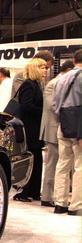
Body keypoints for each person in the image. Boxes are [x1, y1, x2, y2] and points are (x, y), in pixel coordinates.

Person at [39, 59, 75, 207]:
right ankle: (47, 196)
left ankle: (55, 195)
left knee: (60, 164)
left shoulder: (59, 83)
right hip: (54, 129)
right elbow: (54, 107)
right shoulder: (53, 84)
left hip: (62, 128)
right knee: (52, 164)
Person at [12, 58, 48, 202]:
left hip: (34, 128)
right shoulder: (28, 85)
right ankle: (24, 192)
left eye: (45, 68)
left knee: (37, 159)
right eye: (42, 67)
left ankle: (34, 191)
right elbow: (26, 106)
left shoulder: (36, 85)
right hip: (29, 128)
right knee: (31, 159)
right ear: (34, 69)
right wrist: (44, 111)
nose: (45, 70)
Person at [51, 49, 82, 216]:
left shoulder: (61, 79)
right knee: (80, 166)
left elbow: (54, 106)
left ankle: (59, 203)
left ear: (74, 60)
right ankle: (76, 205)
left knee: (62, 165)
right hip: (79, 127)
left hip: (63, 125)